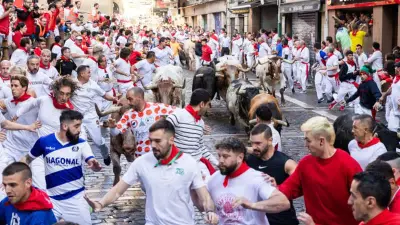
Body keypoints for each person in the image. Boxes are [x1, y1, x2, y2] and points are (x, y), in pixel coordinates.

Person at [85, 119, 219, 225]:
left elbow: (205, 197)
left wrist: (210, 212)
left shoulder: (189, 163)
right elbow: (118, 190)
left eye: (158, 141)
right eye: (151, 141)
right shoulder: (141, 162)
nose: (153, 145)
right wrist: (100, 204)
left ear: (171, 139)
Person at [270, 116, 362, 225]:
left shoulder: (348, 164)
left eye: (308, 141)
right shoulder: (306, 163)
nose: (306, 145)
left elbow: (363, 202)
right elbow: (288, 189)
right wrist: (272, 189)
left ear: (321, 141)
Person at [21, 110, 101, 225]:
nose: (79, 130)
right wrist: (16, 175)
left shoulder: (82, 144)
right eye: (76, 126)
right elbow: (27, 159)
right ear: (64, 126)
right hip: (52, 201)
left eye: (80, 126)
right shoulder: (44, 141)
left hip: (76, 200)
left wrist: (95, 166)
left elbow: (91, 161)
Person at [208, 137, 290, 224]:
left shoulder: (257, 178)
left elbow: (283, 202)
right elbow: (205, 201)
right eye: (219, 156)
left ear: (240, 157)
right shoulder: (214, 178)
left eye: (225, 156)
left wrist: (252, 205)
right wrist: (210, 212)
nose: (220, 161)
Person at [247, 124, 299, 225]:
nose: (254, 147)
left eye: (258, 143)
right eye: (252, 143)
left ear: (270, 140)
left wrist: (278, 188)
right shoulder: (250, 160)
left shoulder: (286, 163)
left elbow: (301, 186)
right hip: (258, 220)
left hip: (283, 221)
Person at [0, 76, 43, 191]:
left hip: (30, 147)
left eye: (16, 86)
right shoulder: (8, 101)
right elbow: (3, 122)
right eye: (11, 86)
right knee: (5, 178)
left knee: (35, 183)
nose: (13, 88)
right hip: (11, 146)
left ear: (24, 87)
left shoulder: (34, 103)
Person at [167, 89, 218, 180]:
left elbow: (201, 147)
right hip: (179, 164)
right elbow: (163, 133)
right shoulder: (178, 116)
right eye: (208, 104)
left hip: (197, 164)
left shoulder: (200, 123)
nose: (208, 108)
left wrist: (217, 163)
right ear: (202, 104)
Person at [109, 87, 175, 157]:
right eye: (127, 100)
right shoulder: (128, 115)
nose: (128, 102)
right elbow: (115, 132)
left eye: (130, 99)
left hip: (159, 153)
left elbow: (180, 112)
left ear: (139, 97)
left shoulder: (156, 108)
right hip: (141, 155)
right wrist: (113, 127)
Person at [71, 65, 116, 165]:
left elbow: (104, 95)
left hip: (91, 116)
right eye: (88, 72)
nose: (90, 74)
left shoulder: (93, 85)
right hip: (77, 118)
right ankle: (81, 163)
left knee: (98, 141)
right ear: (82, 74)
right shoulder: (72, 84)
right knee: (81, 141)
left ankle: (105, 154)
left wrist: (114, 99)